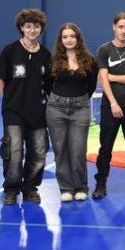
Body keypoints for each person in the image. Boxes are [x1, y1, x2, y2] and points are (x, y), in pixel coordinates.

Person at [0, 8, 51, 205]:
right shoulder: (10, 51)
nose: (32, 30)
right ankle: (11, 189)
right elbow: (0, 78)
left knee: (38, 152)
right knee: (14, 151)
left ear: (41, 29)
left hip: (38, 112)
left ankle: (30, 187)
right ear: (21, 28)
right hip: (14, 111)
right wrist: (8, 100)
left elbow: (49, 85)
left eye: (36, 26)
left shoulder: (46, 55)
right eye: (28, 26)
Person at [92, 12, 125, 200]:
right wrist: (113, 102)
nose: (123, 31)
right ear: (114, 27)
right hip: (110, 107)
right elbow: (102, 80)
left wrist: (113, 77)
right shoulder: (104, 50)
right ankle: (100, 184)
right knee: (105, 148)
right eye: (120, 27)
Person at [46, 23, 98, 202]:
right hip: (56, 108)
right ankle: (66, 188)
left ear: (78, 38)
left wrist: (79, 99)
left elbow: (90, 86)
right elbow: (47, 85)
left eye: (72, 36)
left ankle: (81, 187)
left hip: (80, 108)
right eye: (65, 37)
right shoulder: (53, 60)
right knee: (60, 150)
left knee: (77, 150)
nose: (69, 40)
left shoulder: (89, 60)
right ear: (61, 40)